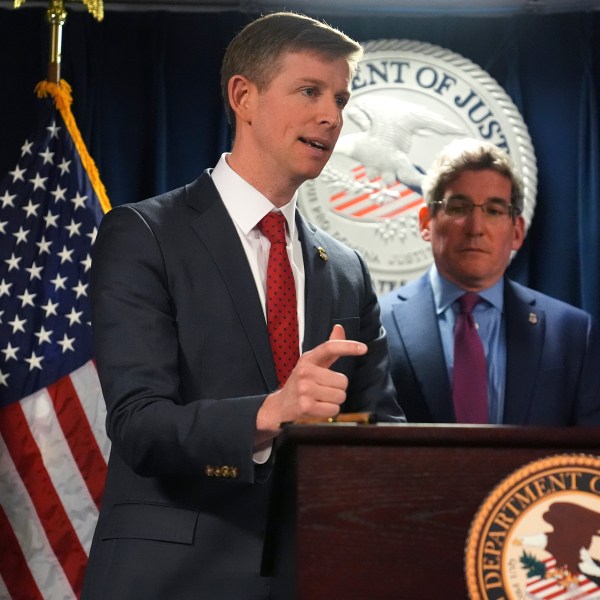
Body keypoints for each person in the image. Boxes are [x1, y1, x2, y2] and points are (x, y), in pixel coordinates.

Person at [82, 11, 404, 600]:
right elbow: (140, 426)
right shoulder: (143, 234)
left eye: (339, 97)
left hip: (312, 576)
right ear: (243, 96)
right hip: (173, 581)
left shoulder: (349, 270)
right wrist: (272, 410)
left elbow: (380, 434)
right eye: (309, 90)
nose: (331, 115)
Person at [380, 137, 600, 425]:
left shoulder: (573, 334)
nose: (476, 228)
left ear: (517, 231)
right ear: (426, 222)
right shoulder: (375, 324)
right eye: (458, 208)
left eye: (494, 211)